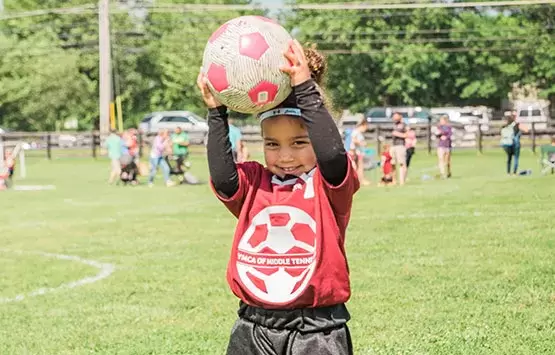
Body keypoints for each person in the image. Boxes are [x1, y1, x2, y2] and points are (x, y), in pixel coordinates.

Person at [198, 40, 359, 355]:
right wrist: (216, 113)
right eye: (272, 144)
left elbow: (332, 154)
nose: (285, 156)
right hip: (253, 325)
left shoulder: (328, 187)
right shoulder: (256, 183)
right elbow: (223, 178)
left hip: (316, 330)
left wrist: (304, 88)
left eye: (299, 142)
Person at [348, 119, 370, 186]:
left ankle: (359, 180)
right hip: (355, 152)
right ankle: (361, 180)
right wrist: (361, 143)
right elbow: (353, 140)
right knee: (358, 167)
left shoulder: (358, 132)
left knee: (358, 166)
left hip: (358, 152)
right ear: (363, 125)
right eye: (366, 127)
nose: (366, 129)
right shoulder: (356, 131)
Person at [390, 112, 407, 185]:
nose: (395, 118)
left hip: (400, 146)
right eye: (394, 116)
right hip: (393, 146)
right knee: (392, 163)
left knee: (401, 163)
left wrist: (397, 134)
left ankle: (402, 181)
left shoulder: (403, 125)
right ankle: (394, 180)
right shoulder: (393, 125)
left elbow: (406, 135)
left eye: (396, 116)